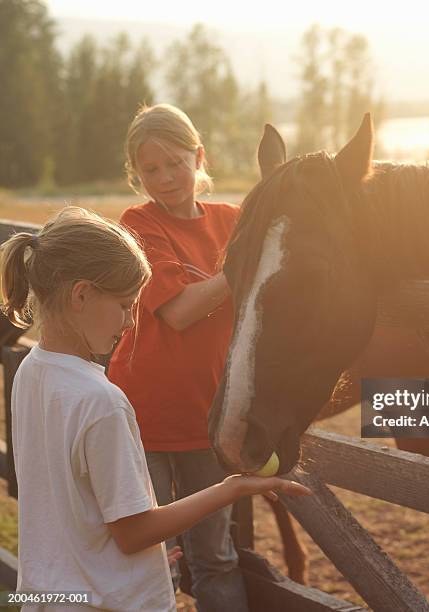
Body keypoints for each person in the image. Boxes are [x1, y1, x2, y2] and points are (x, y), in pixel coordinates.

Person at [1, 207, 310, 612]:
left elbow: (72, 507)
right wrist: (230, 488)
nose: (131, 321)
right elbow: (134, 533)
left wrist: (121, 568)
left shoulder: (32, 371)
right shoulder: (102, 401)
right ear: (81, 295)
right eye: (126, 305)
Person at [106, 103, 249, 611]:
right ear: (136, 174)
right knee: (150, 559)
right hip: (143, 416)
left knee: (216, 556)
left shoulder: (233, 221)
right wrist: (243, 264)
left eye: (175, 164)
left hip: (208, 418)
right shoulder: (137, 224)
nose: (165, 179)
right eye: (150, 169)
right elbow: (181, 312)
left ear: (199, 157)